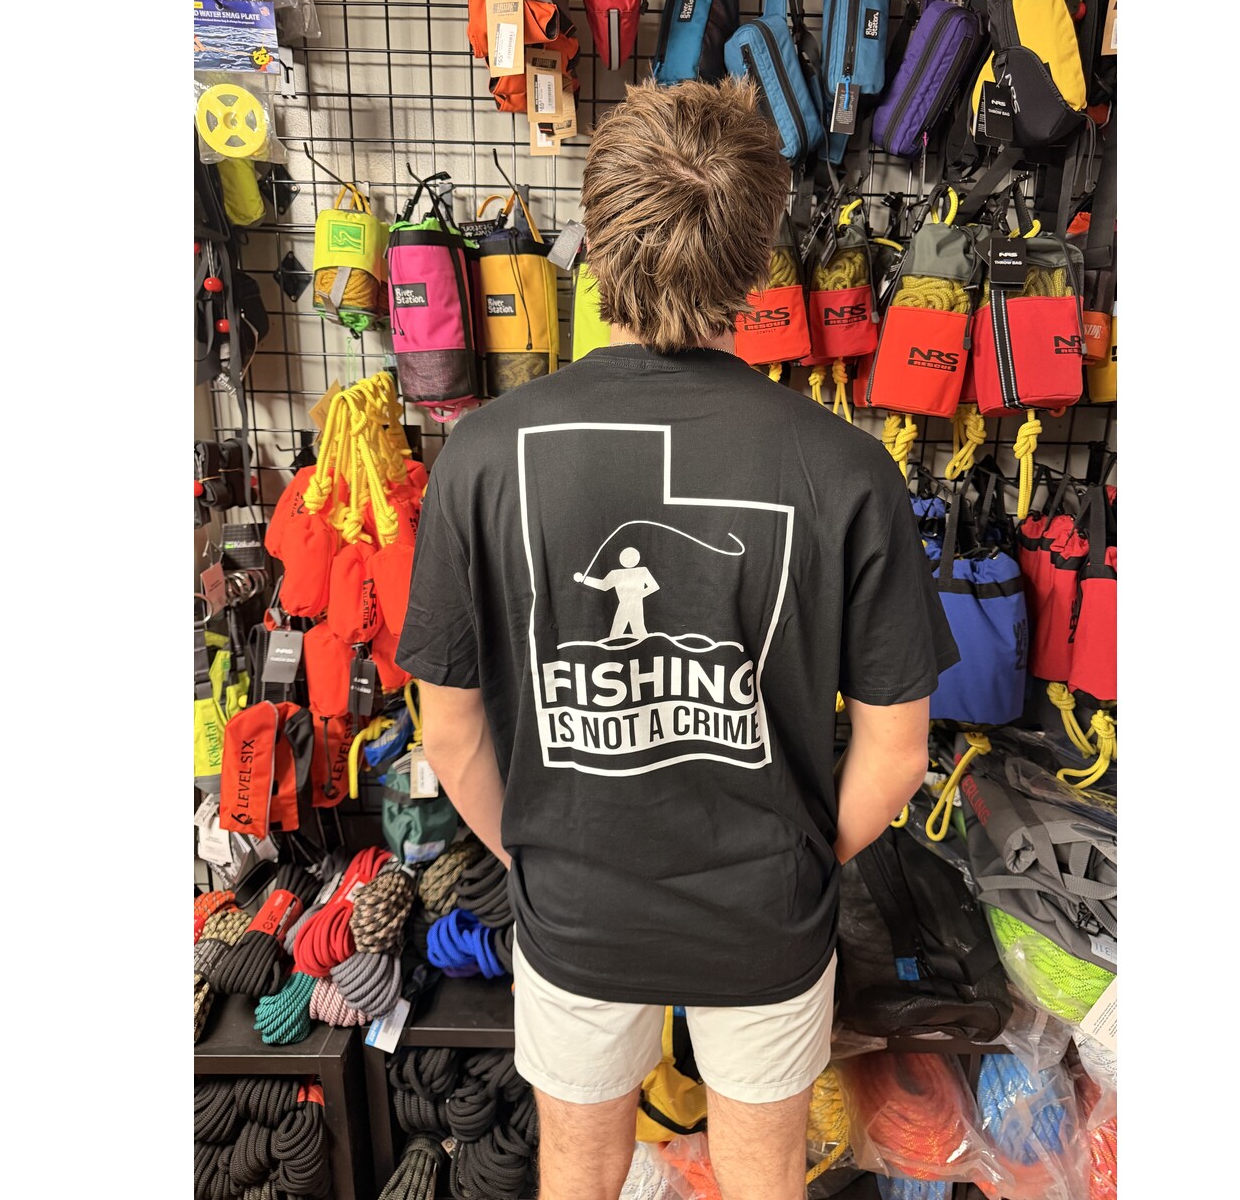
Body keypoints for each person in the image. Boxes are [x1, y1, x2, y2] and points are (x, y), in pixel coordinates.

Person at [396, 78, 958, 1200]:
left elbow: (449, 736)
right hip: (766, 913)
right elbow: (897, 754)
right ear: (755, 256)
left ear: (595, 236)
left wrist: (539, 860)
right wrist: (799, 866)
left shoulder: (482, 456)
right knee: (764, 1177)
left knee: (578, 1170)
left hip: (575, 909)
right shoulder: (847, 469)